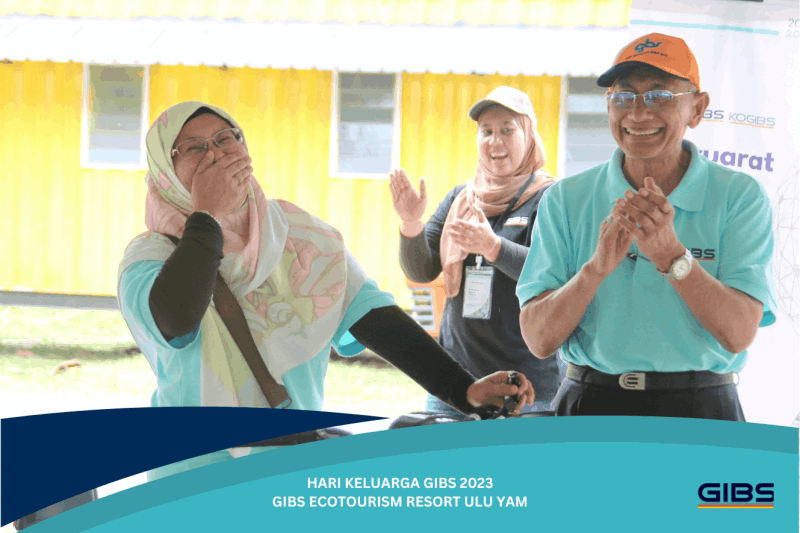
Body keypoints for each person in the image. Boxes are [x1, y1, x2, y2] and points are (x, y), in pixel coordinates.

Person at [117, 101, 535, 480]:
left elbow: (376, 318)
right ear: (165, 171)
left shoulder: (299, 237)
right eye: (194, 148)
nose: (217, 154)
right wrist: (207, 213)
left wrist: (463, 389)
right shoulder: (150, 257)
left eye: (227, 138)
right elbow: (175, 320)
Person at [516, 33, 777, 420]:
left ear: (697, 109)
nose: (638, 114)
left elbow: (739, 334)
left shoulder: (738, 197)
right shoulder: (565, 199)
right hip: (590, 404)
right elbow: (539, 340)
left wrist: (672, 256)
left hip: (702, 407)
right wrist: (595, 270)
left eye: (659, 96)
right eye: (623, 97)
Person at [389, 86, 564, 416]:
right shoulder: (461, 199)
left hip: (528, 387)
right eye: (486, 131)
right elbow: (422, 270)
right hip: (457, 379)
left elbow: (554, 273)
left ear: (528, 134)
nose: (495, 141)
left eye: (507, 130)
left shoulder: (551, 199)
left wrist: (493, 247)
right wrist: (411, 222)